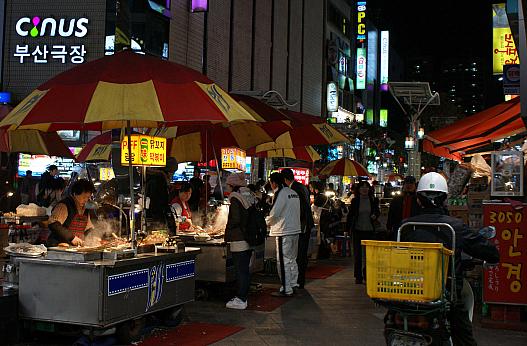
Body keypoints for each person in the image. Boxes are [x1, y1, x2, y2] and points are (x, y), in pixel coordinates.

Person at [400, 172, 499, 346]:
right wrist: (491, 254)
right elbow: (489, 252)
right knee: (465, 338)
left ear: (418, 199)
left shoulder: (406, 227)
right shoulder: (455, 226)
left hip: (411, 291)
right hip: (446, 294)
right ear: (445, 199)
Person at [224, 173, 256, 310]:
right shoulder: (248, 196)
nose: (227, 187)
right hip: (249, 237)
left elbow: (235, 219)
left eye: (228, 184)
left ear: (232, 185)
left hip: (239, 238)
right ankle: (243, 296)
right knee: (245, 269)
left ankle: (241, 299)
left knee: (240, 270)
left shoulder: (235, 199)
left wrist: (227, 229)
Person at [267, 172, 301, 297]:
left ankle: (286, 288)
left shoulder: (281, 194)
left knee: (283, 261)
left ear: (274, 183)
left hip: (284, 231)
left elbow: (275, 213)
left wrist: (267, 222)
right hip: (295, 230)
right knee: (292, 259)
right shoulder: (293, 192)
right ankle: (293, 283)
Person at [281, 168, 314, 290]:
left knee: (299, 254)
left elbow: (299, 209)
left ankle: (299, 280)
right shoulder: (302, 187)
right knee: (301, 253)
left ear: (284, 180)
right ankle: (300, 280)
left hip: (302, 225)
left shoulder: (294, 189)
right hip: (305, 224)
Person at [347, 180, 380, 284]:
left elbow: (377, 211)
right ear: (359, 189)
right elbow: (351, 215)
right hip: (357, 230)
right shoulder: (355, 201)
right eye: (362, 187)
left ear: (369, 189)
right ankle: (358, 276)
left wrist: (375, 215)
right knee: (358, 254)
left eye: (366, 187)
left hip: (369, 230)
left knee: (369, 255)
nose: (364, 189)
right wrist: (347, 229)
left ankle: (367, 275)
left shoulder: (373, 200)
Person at [47, 179, 96, 247]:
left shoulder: (85, 209)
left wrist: (94, 236)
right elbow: (53, 224)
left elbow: (88, 228)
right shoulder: (64, 205)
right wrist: (72, 238)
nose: (86, 200)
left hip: (73, 247)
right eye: (84, 197)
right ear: (75, 194)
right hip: (58, 245)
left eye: (88, 197)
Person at [145, 158, 178, 235]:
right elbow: (159, 202)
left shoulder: (157, 178)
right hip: (158, 218)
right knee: (160, 239)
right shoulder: (159, 180)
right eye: (172, 172)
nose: (172, 175)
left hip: (157, 216)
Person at [386, 176, 420, 240]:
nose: (409, 185)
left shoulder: (418, 200)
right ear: (404, 185)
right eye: (407, 183)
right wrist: (389, 227)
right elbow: (391, 214)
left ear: (415, 186)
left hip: (414, 228)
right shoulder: (396, 199)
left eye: (411, 183)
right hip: (398, 227)